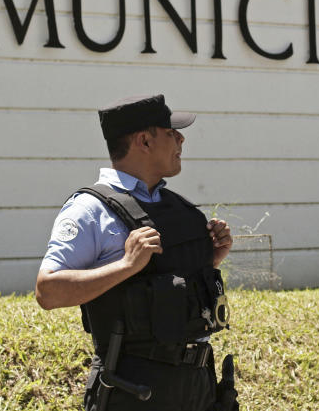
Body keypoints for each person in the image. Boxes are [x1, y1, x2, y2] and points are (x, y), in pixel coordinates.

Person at [36, 94, 234, 411]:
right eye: (171, 132)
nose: (181, 139)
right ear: (144, 140)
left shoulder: (182, 210)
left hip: (200, 386)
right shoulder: (89, 210)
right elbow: (47, 292)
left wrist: (210, 260)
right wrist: (126, 265)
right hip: (135, 390)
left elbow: (164, 290)